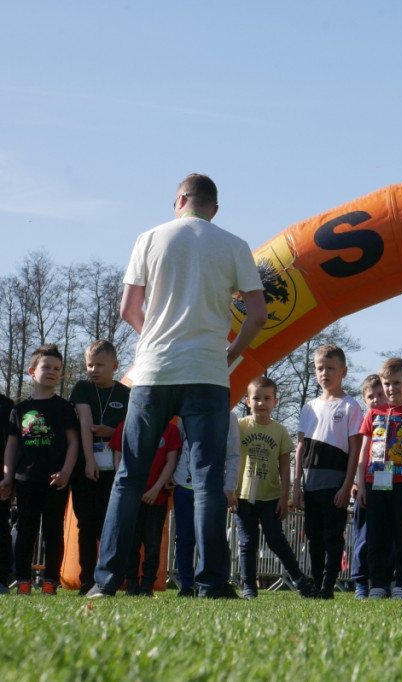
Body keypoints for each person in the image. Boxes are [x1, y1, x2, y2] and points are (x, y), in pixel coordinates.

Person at [89, 174, 267, 600]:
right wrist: (231, 353)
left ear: (180, 200)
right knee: (206, 479)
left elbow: (129, 309)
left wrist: (153, 338)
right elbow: (258, 314)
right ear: (214, 209)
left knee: (130, 475)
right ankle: (211, 584)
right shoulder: (234, 243)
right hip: (207, 373)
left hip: (153, 372)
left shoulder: (149, 237)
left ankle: (106, 582)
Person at [0, 344, 79, 595]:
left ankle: (49, 584)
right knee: (25, 532)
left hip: (55, 481)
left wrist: (66, 472)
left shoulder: (65, 408)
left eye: (57, 368)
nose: (53, 372)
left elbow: (73, 443)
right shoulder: (19, 409)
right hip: (25, 480)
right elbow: (11, 446)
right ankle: (23, 583)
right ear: (32, 371)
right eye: (47, 367)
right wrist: (7, 476)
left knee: (54, 533)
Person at [356, 358, 402, 600]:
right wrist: (361, 485)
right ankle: (377, 583)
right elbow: (363, 452)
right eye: (387, 383)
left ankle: (401, 584)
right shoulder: (372, 414)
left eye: (397, 383)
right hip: (375, 483)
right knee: (376, 535)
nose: (391, 388)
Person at [235, 376, 314, 599]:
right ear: (248, 401)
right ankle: (249, 586)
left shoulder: (280, 431)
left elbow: (284, 467)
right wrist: (229, 490)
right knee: (247, 542)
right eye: (256, 398)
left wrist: (284, 497)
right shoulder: (240, 426)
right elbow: (229, 458)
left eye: (267, 398)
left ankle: (300, 581)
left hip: (270, 496)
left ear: (275, 402)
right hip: (243, 494)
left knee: (275, 539)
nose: (261, 403)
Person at [293, 344, 362, 599]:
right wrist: (296, 485)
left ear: (343, 371)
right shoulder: (308, 407)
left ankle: (328, 586)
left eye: (330, 368)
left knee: (333, 537)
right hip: (310, 483)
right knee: (314, 538)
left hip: (335, 485)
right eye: (320, 368)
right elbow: (301, 446)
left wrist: (347, 485)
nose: (325, 373)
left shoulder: (350, 406)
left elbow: (355, 449)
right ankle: (316, 582)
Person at [68, 339, 131, 595]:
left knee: (110, 524)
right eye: (90, 365)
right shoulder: (82, 388)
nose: (93, 370)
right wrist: (90, 460)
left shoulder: (126, 394)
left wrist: (113, 431)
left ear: (115, 365)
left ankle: (109, 580)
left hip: (115, 468)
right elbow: (85, 422)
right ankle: (86, 580)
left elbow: (130, 429)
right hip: (86, 466)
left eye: (99, 365)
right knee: (86, 524)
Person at [170, 414, 241, 597]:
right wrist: (171, 474)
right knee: (184, 538)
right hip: (183, 486)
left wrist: (229, 487)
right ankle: (186, 585)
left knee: (211, 538)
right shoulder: (185, 415)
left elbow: (233, 454)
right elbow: (176, 447)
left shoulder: (228, 417)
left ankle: (214, 583)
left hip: (213, 489)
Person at [109, 419, 180, 597]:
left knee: (153, 543)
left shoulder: (170, 429)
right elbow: (118, 459)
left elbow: (171, 461)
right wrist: (130, 489)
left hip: (157, 497)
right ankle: (131, 585)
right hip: (131, 497)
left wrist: (156, 488)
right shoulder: (124, 426)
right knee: (131, 543)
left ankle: (148, 586)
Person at [351, 374, 385, 599]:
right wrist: (356, 481)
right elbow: (358, 454)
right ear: (364, 400)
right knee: (363, 536)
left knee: (386, 537)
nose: (376, 399)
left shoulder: (396, 419)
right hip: (365, 485)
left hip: (389, 484)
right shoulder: (364, 421)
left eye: (379, 394)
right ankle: (361, 582)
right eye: (370, 396)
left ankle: (382, 582)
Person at [0, 391, 12, 594]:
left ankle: (2, 579)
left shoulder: (5, 406)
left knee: (1, 527)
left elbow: (11, 445)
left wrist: (9, 477)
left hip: (1, 478)